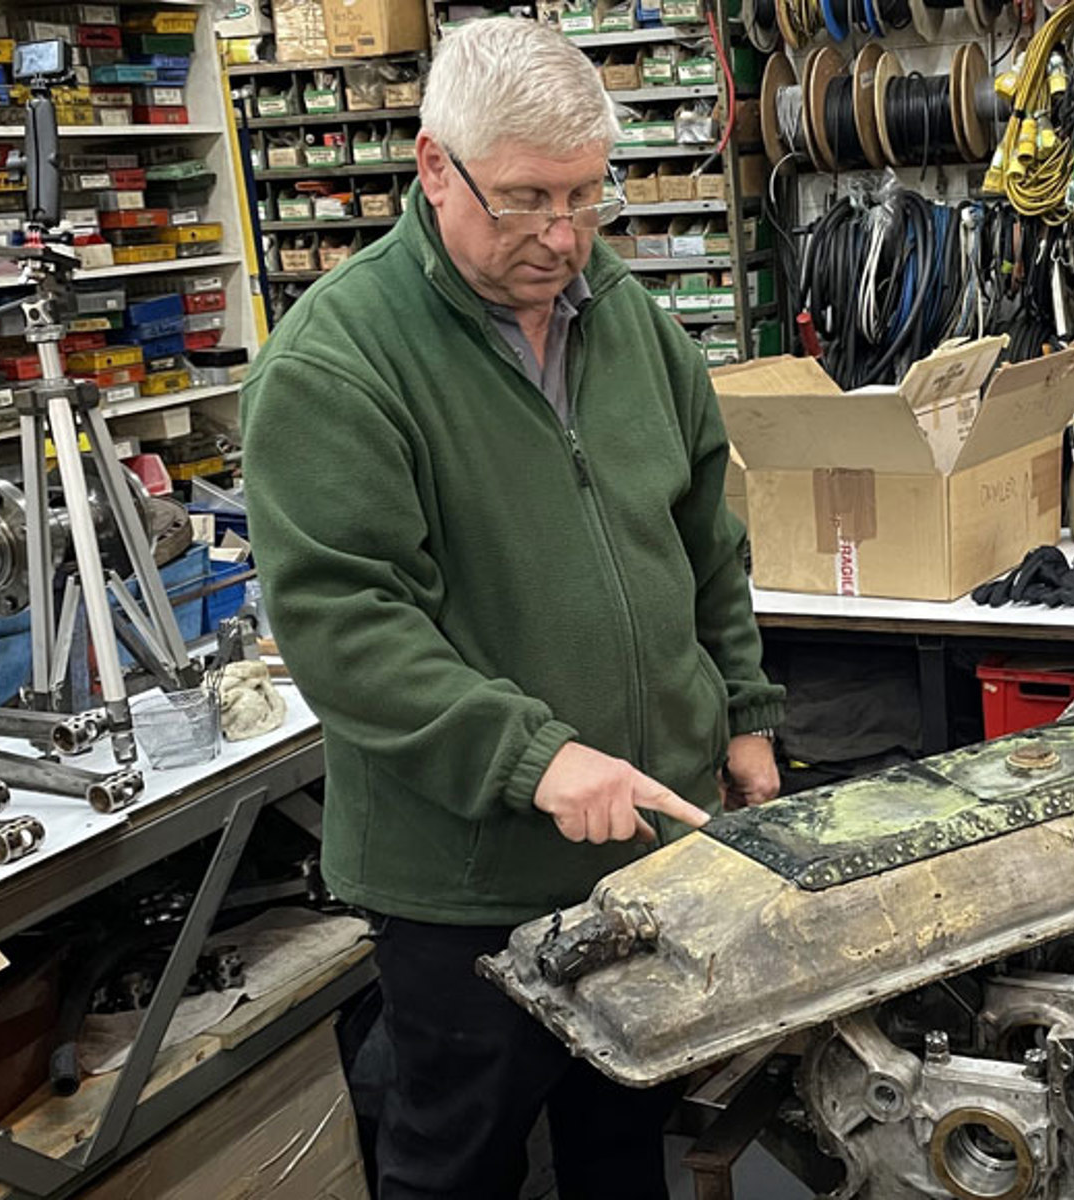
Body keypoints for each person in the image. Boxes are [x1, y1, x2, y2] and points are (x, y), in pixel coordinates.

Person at [240, 15, 785, 1200]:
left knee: (618, 1141)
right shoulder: (338, 363)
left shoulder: (632, 324)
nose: (562, 236)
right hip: (467, 881)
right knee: (460, 1161)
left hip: (646, 850)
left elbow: (706, 541)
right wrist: (534, 758)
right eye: (529, 198)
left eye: (589, 197)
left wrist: (740, 712)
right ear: (434, 166)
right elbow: (347, 624)